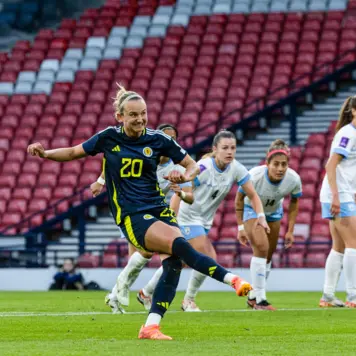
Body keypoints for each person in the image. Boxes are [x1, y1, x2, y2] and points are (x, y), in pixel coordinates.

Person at [27, 84, 252, 340]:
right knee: (180, 245)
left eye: (143, 113)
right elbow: (73, 152)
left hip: (158, 207)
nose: (140, 119)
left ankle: (151, 327)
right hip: (132, 214)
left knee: (174, 263)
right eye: (133, 114)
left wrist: (183, 175)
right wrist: (45, 154)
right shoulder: (108, 137)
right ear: (120, 117)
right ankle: (231, 279)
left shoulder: (158, 139)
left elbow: (193, 166)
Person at [138, 130, 269, 313]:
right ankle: (188, 300)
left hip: (204, 221)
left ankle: (145, 292)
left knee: (181, 260)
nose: (229, 152)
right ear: (215, 149)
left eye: (233, 148)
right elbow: (181, 192)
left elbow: (253, 195)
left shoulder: (237, 168)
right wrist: (171, 220)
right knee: (209, 257)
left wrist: (261, 216)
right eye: (225, 148)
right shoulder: (203, 168)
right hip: (187, 218)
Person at [93, 123, 194, 314]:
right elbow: (116, 162)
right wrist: (101, 181)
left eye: (172, 139)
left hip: (157, 211)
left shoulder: (176, 167)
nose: (168, 142)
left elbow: (188, 195)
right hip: (133, 209)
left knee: (166, 255)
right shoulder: (146, 155)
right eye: (166, 137)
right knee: (143, 254)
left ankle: (124, 295)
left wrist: (179, 195)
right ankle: (122, 295)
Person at [318, 93, 356, 308]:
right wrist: (336, 197)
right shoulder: (348, 134)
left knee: (339, 247)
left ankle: (327, 295)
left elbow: (349, 172)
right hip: (338, 195)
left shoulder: (355, 134)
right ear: (353, 111)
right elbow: (331, 165)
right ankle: (353, 296)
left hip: (342, 193)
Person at [235, 139, 302, 310]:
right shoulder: (255, 176)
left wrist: (290, 230)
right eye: (276, 164)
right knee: (262, 249)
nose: (280, 169)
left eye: (284, 164)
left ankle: (252, 296)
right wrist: (241, 226)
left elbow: (294, 203)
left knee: (268, 257)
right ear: (267, 163)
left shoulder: (293, 179)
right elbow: (239, 198)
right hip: (252, 211)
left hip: (274, 214)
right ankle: (260, 299)